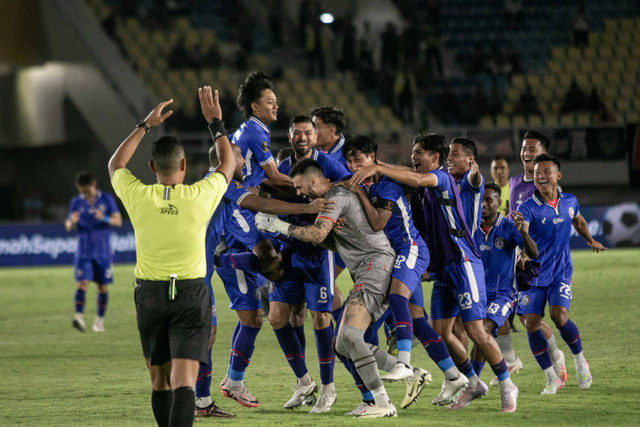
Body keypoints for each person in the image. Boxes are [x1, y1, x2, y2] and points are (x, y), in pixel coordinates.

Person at [349, 133, 518, 413]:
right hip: (441, 268)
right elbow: (407, 177)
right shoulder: (418, 188)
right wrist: (373, 166)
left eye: (419, 152)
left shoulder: (441, 178)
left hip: (463, 261)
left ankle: (506, 383)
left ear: (434, 158)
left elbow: (416, 178)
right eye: (413, 152)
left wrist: (377, 166)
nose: (413, 157)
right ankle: (471, 381)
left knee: (476, 329)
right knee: (440, 332)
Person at [108, 86, 235, 427]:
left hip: (149, 295)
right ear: (183, 163)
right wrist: (215, 122)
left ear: (150, 166)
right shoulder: (199, 196)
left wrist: (145, 125)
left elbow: (116, 163)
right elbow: (229, 163)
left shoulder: (138, 196)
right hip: (191, 295)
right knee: (184, 383)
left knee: (160, 381)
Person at [256, 158, 399, 418]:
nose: (299, 194)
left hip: (372, 267)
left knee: (345, 335)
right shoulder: (331, 198)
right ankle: (398, 376)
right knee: (342, 343)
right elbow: (329, 240)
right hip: (366, 268)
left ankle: (380, 397)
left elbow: (317, 236)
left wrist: (278, 225)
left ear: (313, 180)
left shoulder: (335, 196)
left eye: (300, 187)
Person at [201, 142, 333, 413]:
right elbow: (257, 213)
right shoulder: (226, 185)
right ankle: (224, 387)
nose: (243, 162)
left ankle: (300, 382)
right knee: (248, 321)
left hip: (218, 261)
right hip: (226, 260)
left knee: (257, 319)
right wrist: (306, 212)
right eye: (239, 156)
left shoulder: (216, 184)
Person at [340, 135, 464, 409]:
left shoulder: (385, 184)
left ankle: (404, 364)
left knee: (397, 299)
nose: (353, 165)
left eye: (358, 159)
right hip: (400, 256)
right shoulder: (375, 183)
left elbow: (377, 223)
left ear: (372, 159)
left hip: (411, 249)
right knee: (418, 321)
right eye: (349, 160)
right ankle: (453, 376)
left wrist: (358, 192)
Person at [268, 116, 350, 413]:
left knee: (320, 318)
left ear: (314, 136)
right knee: (277, 317)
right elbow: (268, 192)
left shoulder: (326, 162)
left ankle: (328, 389)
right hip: (290, 250)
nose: (302, 137)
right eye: (296, 133)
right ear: (289, 137)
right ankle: (304, 382)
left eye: (307, 132)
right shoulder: (279, 167)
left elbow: (346, 184)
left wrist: (338, 210)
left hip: (319, 251)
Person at [516, 154, 606, 394]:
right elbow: (522, 231)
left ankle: (580, 361)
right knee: (531, 324)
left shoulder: (569, 201)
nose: (541, 176)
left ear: (558, 175)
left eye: (546, 171)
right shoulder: (526, 207)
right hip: (533, 272)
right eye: (536, 173)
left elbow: (579, 221)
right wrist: (523, 254)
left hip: (560, 270)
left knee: (559, 316)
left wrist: (590, 240)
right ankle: (551, 377)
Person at [467, 184, 536, 395]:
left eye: (490, 200)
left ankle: (485, 382)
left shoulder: (507, 227)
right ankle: (474, 382)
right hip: (476, 294)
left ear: (499, 203)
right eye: (483, 200)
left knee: (484, 330)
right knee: (474, 336)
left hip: (503, 294)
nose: (485, 204)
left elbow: (533, 253)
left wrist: (523, 233)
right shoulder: (469, 228)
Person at [509, 130, 567, 380]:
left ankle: (555, 357)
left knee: (528, 317)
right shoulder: (513, 183)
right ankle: (552, 357)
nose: (526, 152)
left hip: (539, 261)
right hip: (514, 258)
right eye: (524, 148)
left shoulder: (550, 187)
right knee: (524, 317)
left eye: (532, 149)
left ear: (544, 154)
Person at [65, 172, 122, 333]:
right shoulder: (75, 202)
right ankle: (79, 318)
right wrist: (72, 222)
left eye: (87, 190)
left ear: (94, 184)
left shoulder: (106, 199)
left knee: (102, 287)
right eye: (82, 190)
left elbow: (118, 221)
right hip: (84, 251)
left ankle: (99, 321)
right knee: (82, 283)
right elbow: (68, 225)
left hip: (103, 251)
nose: (85, 193)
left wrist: (103, 218)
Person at [231, 71, 291, 191]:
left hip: (246, 190)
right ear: (255, 107)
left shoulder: (249, 127)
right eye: (270, 103)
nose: (276, 106)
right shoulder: (256, 133)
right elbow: (275, 177)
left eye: (276, 102)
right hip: (246, 197)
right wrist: (305, 184)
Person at [447, 137, 484, 236]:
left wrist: (475, 173)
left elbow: (474, 180)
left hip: (467, 244)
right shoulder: (447, 180)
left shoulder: (466, 181)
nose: (448, 158)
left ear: (470, 160)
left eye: (454, 154)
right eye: (448, 153)